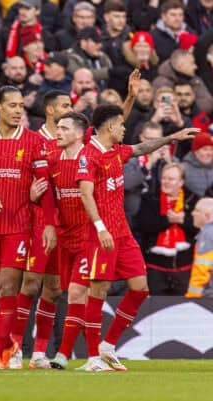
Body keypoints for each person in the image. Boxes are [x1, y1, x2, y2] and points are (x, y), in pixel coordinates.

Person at [75, 103, 197, 371]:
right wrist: (100, 227)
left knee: (140, 288)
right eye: (121, 124)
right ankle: (93, 358)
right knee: (98, 291)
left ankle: (108, 346)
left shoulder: (116, 151)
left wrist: (171, 137)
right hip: (101, 233)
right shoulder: (88, 155)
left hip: (123, 233)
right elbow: (85, 193)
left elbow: (141, 148)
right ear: (109, 126)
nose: (124, 128)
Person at [0, 85, 56, 370]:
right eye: (13, 105)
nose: (18, 111)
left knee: (8, 287)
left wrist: (41, 209)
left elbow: (46, 187)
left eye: (21, 106)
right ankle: (9, 345)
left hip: (19, 225)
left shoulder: (33, 142)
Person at [6, 90, 72, 369]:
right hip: (37, 223)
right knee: (31, 283)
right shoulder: (33, 140)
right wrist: (28, 195)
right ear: (49, 110)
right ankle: (15, 348)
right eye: (65, 105)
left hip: (65, 223)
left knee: (54, 289)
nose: (70, 108)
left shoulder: (72, 141)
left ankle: (39, 354)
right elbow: (15, 182)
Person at [30, 112, 92, 370]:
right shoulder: (53, 160)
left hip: (90, 237)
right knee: (57, 290)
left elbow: (113, 127)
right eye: (57, 127)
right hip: (63, 237)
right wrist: (34, 198)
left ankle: (72, 354)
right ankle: (38, 353)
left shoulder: (92, 158)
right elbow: (46, 197)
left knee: (81, 293)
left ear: (79, 133)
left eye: (64, 128)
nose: (58, 132)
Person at [137, 163, 198, 295]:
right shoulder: (150, 198)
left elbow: (199, 228)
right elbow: (143, 225)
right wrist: (167, 220)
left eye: (171, 179)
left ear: (181, 182)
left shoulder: (192, 199)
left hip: (184, 266)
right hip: (155, 266)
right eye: (164, 178)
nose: (166, 182)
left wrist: (183, 221)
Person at [185, 197, 213, 297]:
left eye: (197, 210)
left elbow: (202, 269)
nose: (192, 213)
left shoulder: (208, 234)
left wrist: (192, 297)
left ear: (207, 215)